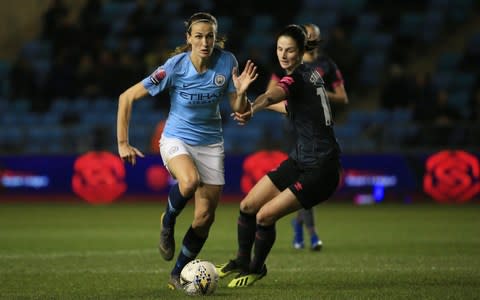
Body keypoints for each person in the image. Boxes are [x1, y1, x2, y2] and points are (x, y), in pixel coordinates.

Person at [116, 12, 257, 290]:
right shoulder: (174, 67)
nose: (205, 42)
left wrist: (241, 94)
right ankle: (167, 221)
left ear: (216, 38)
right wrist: (122, 143)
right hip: (176, 138)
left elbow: (241, 112)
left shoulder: (227, 62)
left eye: (210, 36)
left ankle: (177, 273)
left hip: (211, 144)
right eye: (199, 36)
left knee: (205, 217)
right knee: (189, 181)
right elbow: (127, 97)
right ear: (188, 39)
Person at [217, 24, 342, 287]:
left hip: (321, 169)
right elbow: (291, 107)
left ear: (301, 51)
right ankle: (241, 260)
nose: (283, 55)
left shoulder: (295, 78)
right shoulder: (311, 75)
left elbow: (274, 93)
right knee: (248, 206)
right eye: (279, 49)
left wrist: (256, 104)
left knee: (264, 215)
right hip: (301, 160)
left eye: (290, 50)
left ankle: (256, 268)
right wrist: (250, 106)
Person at [266, 23, 348, 251]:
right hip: (295, 129)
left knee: (307, 183)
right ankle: (309, 233)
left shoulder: (325, 66)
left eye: (313, 35)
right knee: (302, 181)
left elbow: (343, 97)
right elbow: (270, 94)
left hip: (318, 127)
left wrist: (316, 91)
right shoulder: (286, 62)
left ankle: (302, 229)